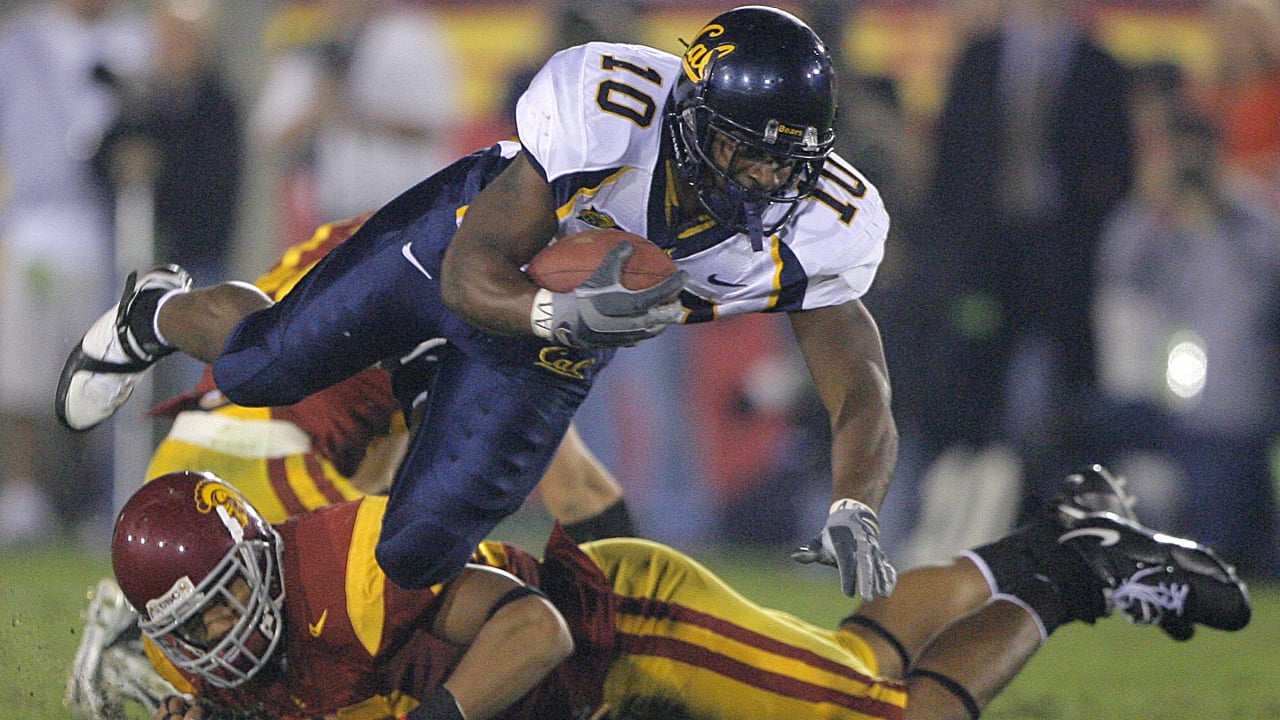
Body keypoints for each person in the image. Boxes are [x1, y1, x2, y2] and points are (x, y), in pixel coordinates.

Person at [57, 6, 899, 600]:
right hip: (469, 243)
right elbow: (471, 273)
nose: (767, 180)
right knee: (256, 365)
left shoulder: (824, 223)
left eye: (788, 163)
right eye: (745, 153)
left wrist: (856, 502)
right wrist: (553, 315)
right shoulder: (610, 109)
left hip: (555, 336)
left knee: (417, 552)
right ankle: (155, 311)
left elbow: (860, 387)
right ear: (689, 119)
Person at [114, 465, 1249, 720]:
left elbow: (534, 624)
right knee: (852, 664)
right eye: (193, 622)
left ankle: (1078, 574)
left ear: (259, 557)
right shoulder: (185, 675)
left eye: (225, 597)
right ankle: (1035, 541)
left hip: (626, 630)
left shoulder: (345, 573)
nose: (221, 630)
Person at [64, 213, 635, 720]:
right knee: (395, 636)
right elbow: (576, 485)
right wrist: (620, 624)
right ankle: (138, 645)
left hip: (195, 474)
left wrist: (162, 318)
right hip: (268, 470)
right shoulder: (474, 289)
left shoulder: (395, 241)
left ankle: (167, 637)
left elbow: (256, 330)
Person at [916, 0, 1134, 553]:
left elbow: (1117, 169)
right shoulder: (980, 58)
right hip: (984, 264)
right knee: (966, 391)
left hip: (1064, 265)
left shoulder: (1100, 67)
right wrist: (953, 259)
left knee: (1067, 403)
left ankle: (1063, 531)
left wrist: (1082, 243)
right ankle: (961, 525)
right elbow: (951, 163)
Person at [0, 0, 148, 545]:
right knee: (22, 373)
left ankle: (95, 496)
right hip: (33, 225)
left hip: (107, 228)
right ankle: (22, 495)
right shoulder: (19, 44)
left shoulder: (133, 42)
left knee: (103, 365)